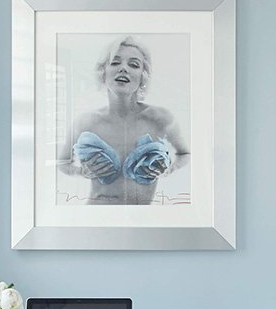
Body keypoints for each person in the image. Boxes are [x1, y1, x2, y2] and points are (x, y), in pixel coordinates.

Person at [57, 36, 189, 205]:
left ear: (143, 76)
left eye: (133, 64)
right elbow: (62, 162)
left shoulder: (161, 119)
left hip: (142, 219)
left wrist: (169, 169)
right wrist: (81, 172)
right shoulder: (86, 122)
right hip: (97, 215)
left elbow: (185, 154)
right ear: (103, 72)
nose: (123, 69)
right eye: (115, 63)